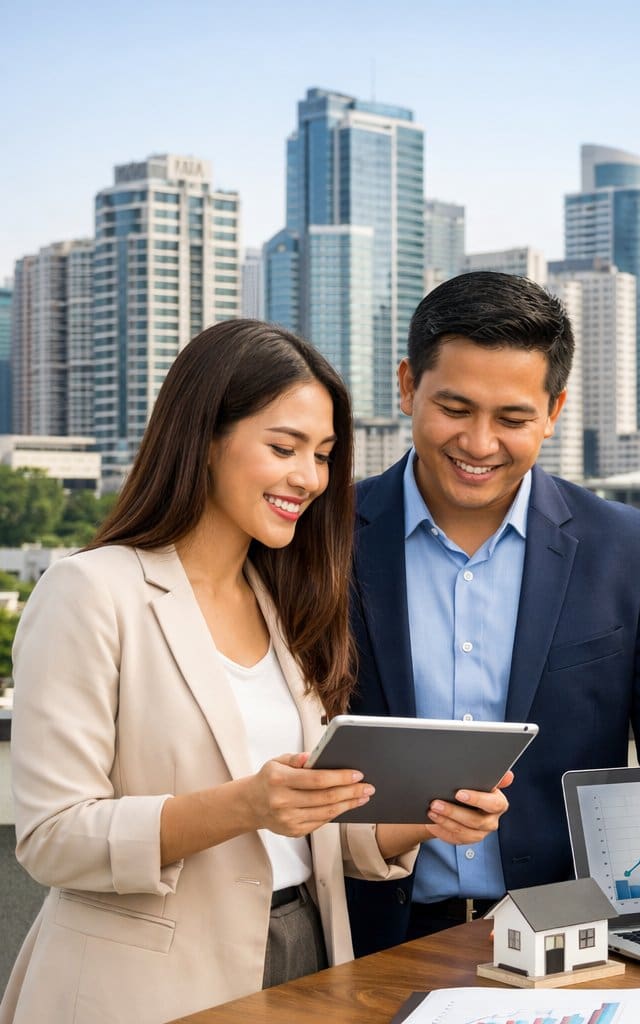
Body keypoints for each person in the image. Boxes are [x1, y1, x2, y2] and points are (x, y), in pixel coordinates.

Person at [0, 321, 510, 1024]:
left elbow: (304, 830)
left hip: (304, 953)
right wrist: (245, 805)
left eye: (324, 454)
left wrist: (427, 820)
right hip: (143, 987)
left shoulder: (280, 603)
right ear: (205, 439)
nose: (309, 477)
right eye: (283, 447)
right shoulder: (92, 591)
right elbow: (53, 837)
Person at [345, 271, 640, 953]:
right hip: (361, 938)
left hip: (568, 941)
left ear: (553, 411)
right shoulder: (322, 540)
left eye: (513, 418)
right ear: (408, 386)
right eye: (455, 408)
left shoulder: (626, 548)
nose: (478, 442)